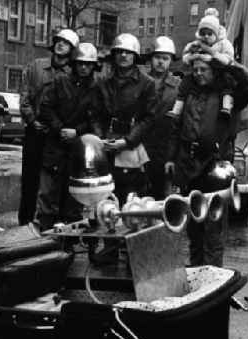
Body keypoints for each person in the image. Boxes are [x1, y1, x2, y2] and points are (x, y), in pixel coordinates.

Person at [166, 56, 248, 267]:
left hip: (215, 167)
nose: (199, 73)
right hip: (189, 165)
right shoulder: (187, 93)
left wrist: (228, 64)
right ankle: (196, 273)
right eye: (196, 69)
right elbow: (176, 127)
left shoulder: (230, 95)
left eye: (204, 69)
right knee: (194, 226)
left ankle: (214, 277)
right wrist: (171, 158)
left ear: (214, 70)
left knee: (214, 227)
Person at [34, 42, 105, 230]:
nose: (83, 67)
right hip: (55, 146)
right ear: (73, 63)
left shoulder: (97, 88)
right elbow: (45, 107)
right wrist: (60, 128)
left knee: (75, 199)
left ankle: (70, 244)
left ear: (94, 66)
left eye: (88, 64)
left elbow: (98, 118)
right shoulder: (60, 81)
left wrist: (78, 132)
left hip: (79, 147)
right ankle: (44, 239)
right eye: (80, 63)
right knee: (48, 196)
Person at [18, 28, 78, 224]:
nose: (61, 44)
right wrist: (31, 120)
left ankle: (53, 225)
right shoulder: (36, 66)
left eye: (66, 43)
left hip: (57, 136)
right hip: (35, 132)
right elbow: (25, 95)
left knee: (55, 182)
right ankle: (25, 222)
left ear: (72, 49)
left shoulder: (72, 73)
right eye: (59, 40)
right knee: (30, 179)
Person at [100, 33, 159, 205]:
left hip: (130, 145)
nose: (123, 55)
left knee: (129, 199)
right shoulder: (103, 81)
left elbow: (149, 118)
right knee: (104, 196)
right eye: (120, 51)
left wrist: (128, 141)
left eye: (128, 52)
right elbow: (94, 113)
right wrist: (101, 138)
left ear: (135, 56)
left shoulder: (147, 83)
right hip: (106, 143)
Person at [170, 12, 235, 119]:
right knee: (185, 83)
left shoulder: (223, 44)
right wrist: (193, 57)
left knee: (227, 83)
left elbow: (228, 60)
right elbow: (186, 54)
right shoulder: (196, 44)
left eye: (210, 34)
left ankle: (226, 105)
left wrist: (213, 56)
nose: (206, 36)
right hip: (198, 66)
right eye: (203, 33)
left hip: (219, 72)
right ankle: (177, 108)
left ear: (216, 34)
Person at [143, 36, 180, 200]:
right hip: (142, 143)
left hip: (166, 146)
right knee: (140, 191)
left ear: (171, 61)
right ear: (151, 59)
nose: (160, 62)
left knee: (162, 196)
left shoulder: (178, 85)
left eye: (165, 58)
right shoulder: (141, 80)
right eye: (157, 57)